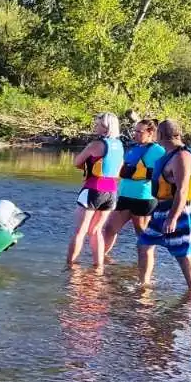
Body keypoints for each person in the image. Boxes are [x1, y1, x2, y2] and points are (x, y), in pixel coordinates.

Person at [138, 119, 191, 293]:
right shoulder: (169, 154)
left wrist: (173, 218)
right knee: (144, 242)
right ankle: (144, 285)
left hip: (179, 209)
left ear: (162, 135)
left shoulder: (182, 156)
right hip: (162, 208)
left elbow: (182, 190)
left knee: (182, 252)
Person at [66, 112, 123, 271]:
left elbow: (77, 162)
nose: (95, 126)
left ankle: (70, 267)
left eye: (98, 124)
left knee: (81, 231)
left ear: (105, 127)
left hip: (93, 189)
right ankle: (98, 267)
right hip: (111, 192)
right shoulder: (119, 146)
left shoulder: (96, 145)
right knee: (96, 230)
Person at [103, 118, 164, 255]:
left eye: (139, 132)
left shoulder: (158, 151)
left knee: (142, 234)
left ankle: (144, 267)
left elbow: (169, 172)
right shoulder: (133, 148)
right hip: (124, 195)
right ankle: (101, 262)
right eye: (134, 131)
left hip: (144, 198)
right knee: (109, 228)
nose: (135, 134)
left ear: (150, 133)